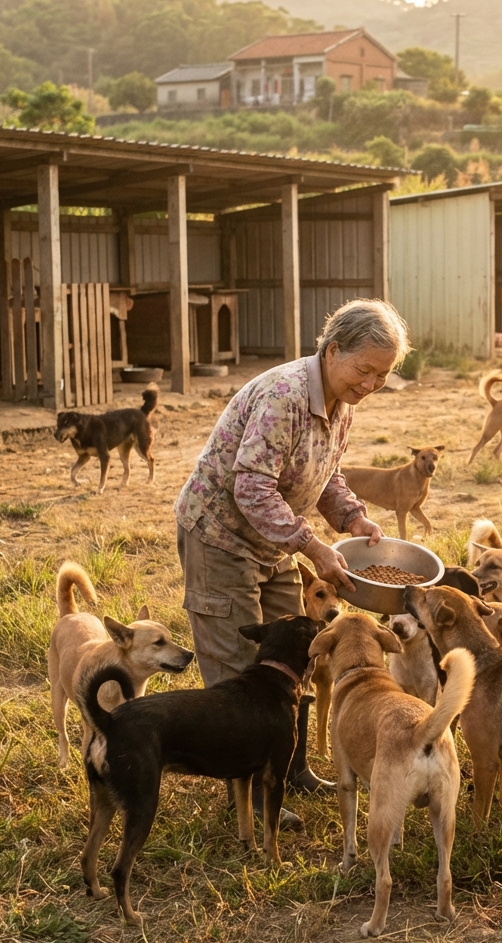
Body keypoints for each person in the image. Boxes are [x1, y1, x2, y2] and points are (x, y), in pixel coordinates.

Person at [174, 299, 409, 828]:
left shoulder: (340, 405)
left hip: (274, 543)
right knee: (241, 668)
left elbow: (326, 476)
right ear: (332, 352)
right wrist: (313, 546)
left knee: (295, 656)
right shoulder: (284, 397)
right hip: (221, 537)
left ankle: (290, 768)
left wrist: (353, 521)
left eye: (383, 375)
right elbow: (250, 485)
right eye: (364, 370)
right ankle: (250, 797)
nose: (371, 384)